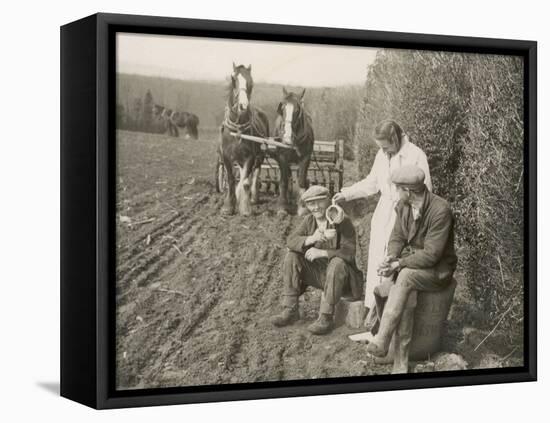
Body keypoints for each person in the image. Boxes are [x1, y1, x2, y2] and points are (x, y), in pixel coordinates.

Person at [332, 120, 432, 338]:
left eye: (385, 146)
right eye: (380, 147)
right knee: (377, 260)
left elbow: (425, 193)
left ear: (395, 139)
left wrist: (414, 221)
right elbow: (372, 183)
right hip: (383, 211)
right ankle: (373, 312)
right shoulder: (382, 155)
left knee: (394, 260)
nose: (383, 150)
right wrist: (346, 193)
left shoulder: (416, 155)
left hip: (404, 214)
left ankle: (391, 317)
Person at [365, 165, 457, 373]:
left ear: (407, 190)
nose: (396, 193)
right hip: (414, 268)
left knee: (405, 276)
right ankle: (400, 361)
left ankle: (383, 338)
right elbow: (397, 236)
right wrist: (391, 257)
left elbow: (432, 255)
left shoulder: (440, 210)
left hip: (437, 270)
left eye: (398, 188)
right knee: (406, 289)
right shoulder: (404, 206)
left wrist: (400, 264)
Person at [271, 185, 364, 335]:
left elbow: (349, 253)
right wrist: (311, 238)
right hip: (322, 276)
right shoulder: (309, 221)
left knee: (337, 263)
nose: (315, 207)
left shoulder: (342, 220)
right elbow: (291, 240)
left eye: (319, 202)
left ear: (328, 201)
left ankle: (326, 316)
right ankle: (290, 309)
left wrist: (322, 252)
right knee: (292, 256)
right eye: (310, 203)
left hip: (344, 279)